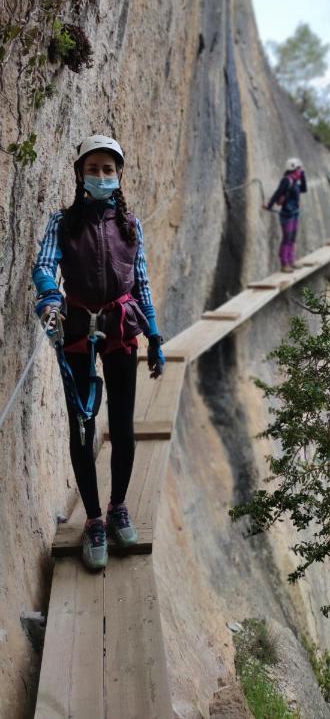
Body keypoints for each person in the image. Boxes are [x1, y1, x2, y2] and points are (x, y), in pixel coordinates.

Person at [32, 135, 165, 571]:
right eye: (94, 169)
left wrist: (156, 334)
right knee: (83, 428)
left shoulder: (132, 226)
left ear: (119, 174)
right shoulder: (62, 223)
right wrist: (50, 294)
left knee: (123, 427)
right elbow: (44, 265)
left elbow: (140, 282)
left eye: (109, 170)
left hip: (121, 327)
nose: (102, 176)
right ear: (80, 174)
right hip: (76, 327)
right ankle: (92, 519)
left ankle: (119, 506)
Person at [263, 158, 307, 272]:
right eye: (299, 168)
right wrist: (269, 205)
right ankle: (284, 263)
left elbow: (304, 189)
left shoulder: (296, 180)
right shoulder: (287, 180)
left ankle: (291, 260)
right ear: (294, 169)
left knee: (292, 238)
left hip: (295, 212)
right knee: (287, 238)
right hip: (287, 214)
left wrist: (303, 176)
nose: (300, 170)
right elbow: (278, 193)